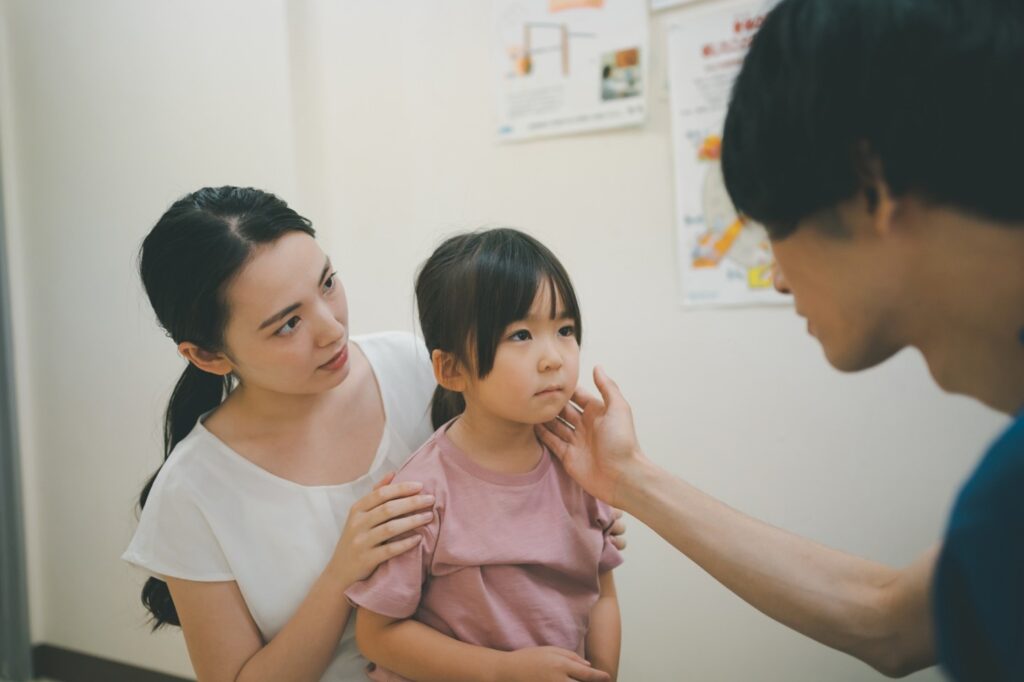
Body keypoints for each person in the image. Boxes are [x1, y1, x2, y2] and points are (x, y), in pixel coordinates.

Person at [537, 0, 1024, 680]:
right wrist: (627, 478)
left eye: (773, 233)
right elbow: (889, 621)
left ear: (870, 188)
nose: (778, 281)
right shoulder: (1003, 509)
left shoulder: (1006, 493)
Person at [122, 189, 626, 681]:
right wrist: (342, 573)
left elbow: (521, 477)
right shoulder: (191, 493)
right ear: (209, 356)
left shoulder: (413, 367)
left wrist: (577, 521)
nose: (332, 329)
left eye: (327, 284)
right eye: (288, 324)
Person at [347, 229, 623, 682]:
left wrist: (603, 672)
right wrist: (502, 671)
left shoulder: (580, 464)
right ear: (452, 369)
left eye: (565, 329)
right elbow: (377, 635)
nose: (553, 357)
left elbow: (602, 594)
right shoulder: (422, 492)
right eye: (520, 335)